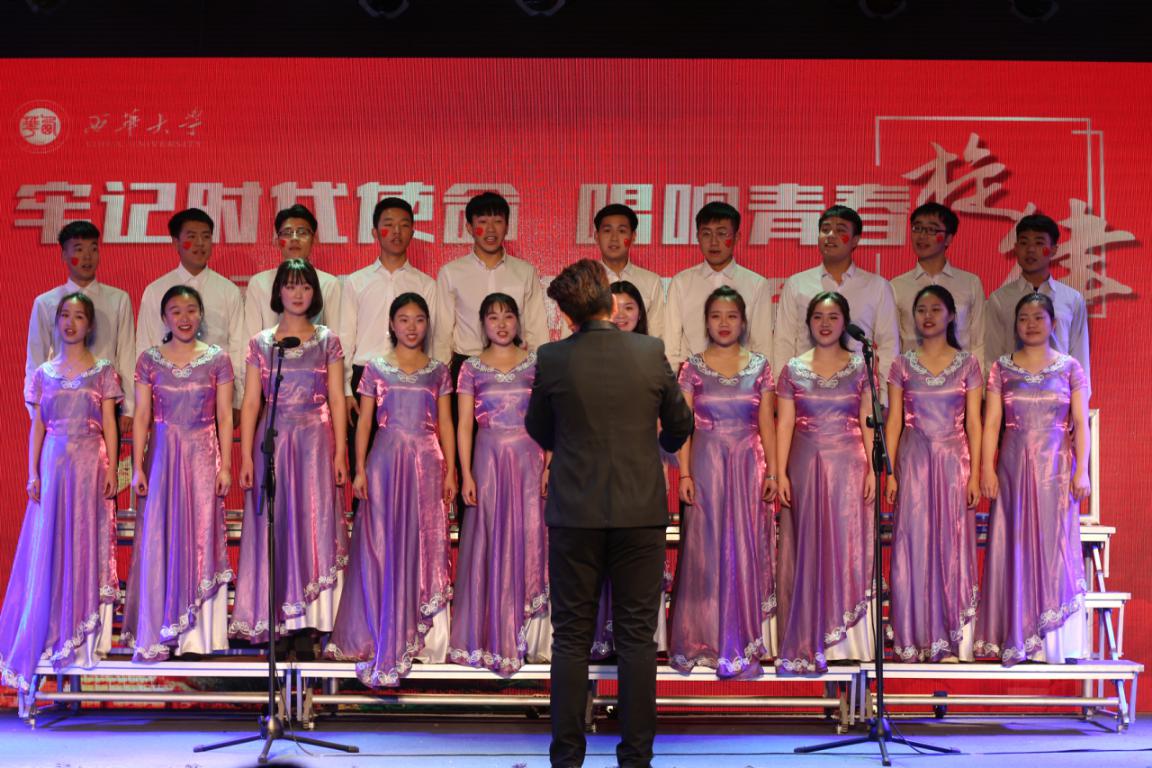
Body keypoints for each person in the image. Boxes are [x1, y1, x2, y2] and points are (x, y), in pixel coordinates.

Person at [526, 259, 693, 768]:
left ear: (567, 314)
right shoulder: (649, 351)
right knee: (637, 639)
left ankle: (567, 758)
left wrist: (569, 445)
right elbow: (680, 423)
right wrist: (657, 446)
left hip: (574, 511)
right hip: (639, 510)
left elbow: (537, 427)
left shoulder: (553, 357)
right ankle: (636, 758)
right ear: (608, 298)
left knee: (570, 639)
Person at [325, 293, 456, 686]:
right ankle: (377, 632)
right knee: (380, 545)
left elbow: (447, 425)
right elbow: (364, 423)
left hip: (428, 465)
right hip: (384, 464)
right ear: (392, 324)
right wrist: (359, 468)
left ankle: (426, 638)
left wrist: (452, 471)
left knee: (423, 543)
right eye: (404, 319)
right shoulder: (375, 368)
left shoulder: (439, 371)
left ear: (427, 325)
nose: (411, 327)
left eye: (419, 319)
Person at [0, 294, 121, 691]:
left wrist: (113, 468)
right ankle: (51, 632)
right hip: (53, 465)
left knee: (85, 543)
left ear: (90, 325)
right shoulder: (44, 374)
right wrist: (32, 472)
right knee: (49, 546)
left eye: (79, 316)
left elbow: (110, 423)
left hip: (90, 465)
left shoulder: (103, 371)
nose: (71, 322)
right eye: (65, 316)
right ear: (56, 323)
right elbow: (38, 426)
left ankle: (83, 637)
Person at [230, 260, 349, 656]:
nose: (298, 294)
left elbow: (336, 398)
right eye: (291, 286)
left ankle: (309, 621)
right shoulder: (261, 343)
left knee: (312, 523)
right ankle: (277, 617)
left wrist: (341, 452)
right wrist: (246, 456)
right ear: (278, 291)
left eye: (305, 287)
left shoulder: (327, 340)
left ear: (315, 293)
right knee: (275, 524)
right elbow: (251, 402)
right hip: (275, 441)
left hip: (315, 441)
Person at [976, 292, 1090, 665]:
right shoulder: (1001, 368)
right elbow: (991, 423)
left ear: (1053, 324)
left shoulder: (1070, 367)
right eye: (1023, 317)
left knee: (1054, 547)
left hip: (1056, 470)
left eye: (1038, 317)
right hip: (1013, 467)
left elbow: (1080, 423)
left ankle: (1056, 642)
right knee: (1015, 546)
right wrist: (987, 468)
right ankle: (1019, 636)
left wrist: (1083, 470)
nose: (1030, 324)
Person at [670, 286, 778, 678]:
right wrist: (684, 473)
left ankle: (745, 639)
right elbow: (683, 427)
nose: (724, 323)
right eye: (716, 316)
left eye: (731, 316)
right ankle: (705, 639)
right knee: (706, 549)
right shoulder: (692, 368)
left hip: (749, 465)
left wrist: (774, 472)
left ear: (744, 321)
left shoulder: (760, 366)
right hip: (706, 466)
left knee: (745, 546)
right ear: (706, 322)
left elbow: (767, 424)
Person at [122, 285, 234, 660]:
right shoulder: (148, 360)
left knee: (201, 534)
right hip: (162, 458)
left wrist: (226, 465)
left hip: (203, 456)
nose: (184, 318)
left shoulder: (218, 359)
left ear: (200, 315)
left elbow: (224, 416)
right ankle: (160, 628)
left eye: (191, 310)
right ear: (164, 317)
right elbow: (141, 416)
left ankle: (198, 637)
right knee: (160, 534)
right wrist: (137, 466)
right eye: (176, 311)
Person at [449, 293, 550, 676]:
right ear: (482, 324)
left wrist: (549, 464)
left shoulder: (537, 364)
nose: (502, 324)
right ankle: (489, 635)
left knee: (532, 538)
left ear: (518, 321)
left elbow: (551, 419)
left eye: (508, 316)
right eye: (493, 317)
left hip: (530, 460)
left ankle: (534, 639)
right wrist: (465, 473)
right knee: (489, 541)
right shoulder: (470, 368)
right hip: (487, 461)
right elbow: (463, 425)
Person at [775, 292, 875, 673]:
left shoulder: (861, 367)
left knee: (846, 545)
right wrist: (779, 472)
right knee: (808, 546)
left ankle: (848, 639)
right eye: (818, 316)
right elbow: (785, 423)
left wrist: (874, 470)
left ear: (845, 322)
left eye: (833, 317)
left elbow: (867, 421)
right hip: (805, 466)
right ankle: (809, 636)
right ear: (808, 323)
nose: (825, 323)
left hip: (850, 468)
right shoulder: (793, 369)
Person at [884, 285, 983, 662]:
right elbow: (894, 422)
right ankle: (913, 638)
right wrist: (890, 472)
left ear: (951, 315)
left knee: (951, 545)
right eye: (921, 309)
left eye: (936, 309)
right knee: (912, 544)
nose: (927, 316)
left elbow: (974, 423)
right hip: (913, 461)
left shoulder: (968, 364)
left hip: (954, 462)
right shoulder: (901, 365)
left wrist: (975, 474)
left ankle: (951, 638)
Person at [25, 221, 135, 433]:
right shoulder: (46, 302)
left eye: (93, 249)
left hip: (105, 405)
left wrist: (129, 407)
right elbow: (35, 360)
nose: (87, 257)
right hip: (59, 406)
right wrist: (35, 411)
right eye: (78, 249)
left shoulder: (118, 299)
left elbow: (127, 355)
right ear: (64, 255)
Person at [772, 205, 900, 384]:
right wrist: (782, 388)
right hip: (805, 387)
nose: (830, 235)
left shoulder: (877, 286)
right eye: (825, 230)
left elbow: (889, 346)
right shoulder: (797, 284)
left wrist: (884, 396)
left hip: (858, 389)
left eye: (840, 230)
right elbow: (783, 342)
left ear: (855, 240)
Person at [136, 208, 245, 409]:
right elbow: (145, 345)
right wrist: (144, 402)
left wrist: (237, 400)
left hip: (216, 398)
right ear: (175, 242)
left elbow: (238, 346)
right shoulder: (155, 290)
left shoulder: (228, 290)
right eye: (191, 237)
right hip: (166, 398)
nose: (200, 243)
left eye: (206, 236)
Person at [432, 191, 549, 369]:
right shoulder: (450, 273)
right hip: (466, 365)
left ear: (507, 226)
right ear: (469, 227)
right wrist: (440, 375)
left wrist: (540, 371)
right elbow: (442, 333)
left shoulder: (525, 272)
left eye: (498, 221)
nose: (491, 229)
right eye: (483, 222)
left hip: (515, 365)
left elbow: (537, 330)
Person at [664, 202, 773, 368]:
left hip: (741, 378)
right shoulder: (681, 283)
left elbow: (762, 346)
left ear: (736, 237)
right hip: (692, 378)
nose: (713, 242)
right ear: (697, 237)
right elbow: (670, 346)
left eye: (722, 234)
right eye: (706, 234)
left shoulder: (757, 284)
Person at [985, 213, 1091, 384]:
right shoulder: (1000, 299)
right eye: (1024, 243)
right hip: (1013, 393)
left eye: (1039, 243)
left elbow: (1080, 356)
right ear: (1015, 248)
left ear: (1053, 249)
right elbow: (992, 356)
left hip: (1059, 393)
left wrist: (1079, 397)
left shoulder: (1072, 299)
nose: (1031, 250)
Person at [890, 202, 988, 373]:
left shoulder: (970, 283)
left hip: (961, 379)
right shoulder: (896, 286)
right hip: (913, 380)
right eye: (917, 228)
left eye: (931, 230)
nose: (922, 236)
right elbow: (892, 344)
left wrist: (977, 383)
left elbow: (979, 342)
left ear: (949, 238)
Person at [242, 204, 342, 341]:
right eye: (287, 233)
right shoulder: (259, 283)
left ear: (314, 239)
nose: (294, 238)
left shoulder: (329, 283)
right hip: (268, 354)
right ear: (277, 241)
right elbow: (250, 339)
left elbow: (335, 338)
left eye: (302, 232)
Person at [591, 203, 665, 340]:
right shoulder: (582, 282)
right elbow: (570, 337)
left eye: (621, 231)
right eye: (607, 231)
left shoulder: (651, 281)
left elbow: (657, 334)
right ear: (596, 236)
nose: (614, 238)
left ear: (633, 236)